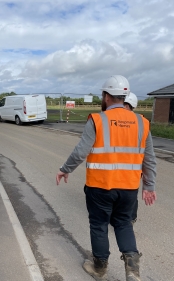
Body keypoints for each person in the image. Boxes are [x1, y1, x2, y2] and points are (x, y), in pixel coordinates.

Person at [56, 75, 157, 281]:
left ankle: (99, 268)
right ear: (125, 96)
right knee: (123, 224)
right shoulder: (141, 122)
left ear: (106, 96)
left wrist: (65, 169)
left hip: (100, 186)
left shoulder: (98, 119)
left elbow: (80, 152)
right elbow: (150, 160)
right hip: (129, 187)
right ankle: (132, 270)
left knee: (99, 225)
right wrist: (149, 186)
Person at [124, 92, 139, 224]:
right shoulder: (140, 122)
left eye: (125, 105)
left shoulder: (136, 123)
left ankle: (131, 217)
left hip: (132, 165)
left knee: (131, 193)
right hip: (131, 165)